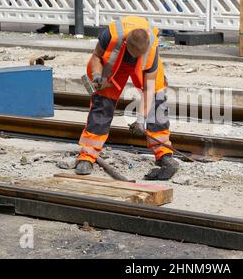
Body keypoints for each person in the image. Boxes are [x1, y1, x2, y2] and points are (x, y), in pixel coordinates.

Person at [75, 15, 179, 180]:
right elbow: (96, 56)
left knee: (157, 101)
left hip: (145, 69)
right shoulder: (109, 35)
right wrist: (97, 76)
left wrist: (140, 119)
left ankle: (164, 154)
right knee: (102, 104)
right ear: (125, 44)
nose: (136, 57)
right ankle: (87, 156)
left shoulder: (150, 50)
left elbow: (149, 89)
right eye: (134, 54)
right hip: (114, 65)